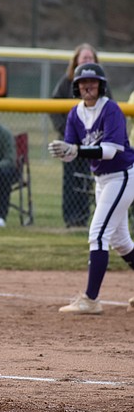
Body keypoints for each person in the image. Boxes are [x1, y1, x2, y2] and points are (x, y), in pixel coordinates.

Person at [48, 63, 134, 314]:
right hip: (102, 180)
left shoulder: (111, 109)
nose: (87, 86)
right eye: (83, 83)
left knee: (98, 234)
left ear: (101, 85)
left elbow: (109, 150)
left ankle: (91, 300)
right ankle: (91, 299)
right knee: (120, 241)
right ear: (76, 87)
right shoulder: (75, 114)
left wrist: (76, 150)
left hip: (123, 175)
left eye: (93, 82)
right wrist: (63, 152)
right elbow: (72, 151)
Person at [50, 43, 113, 228]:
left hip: (92, 143)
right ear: (76, 60)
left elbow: (110, 107)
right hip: (70, 140)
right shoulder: (67, 81)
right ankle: (70, 219)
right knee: (70, 179)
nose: (86, 61)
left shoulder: (101, 84)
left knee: (88, 180)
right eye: (83, 58)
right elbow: (54, 105)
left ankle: (84, 218)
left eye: (90, 58)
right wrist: (62, 128)